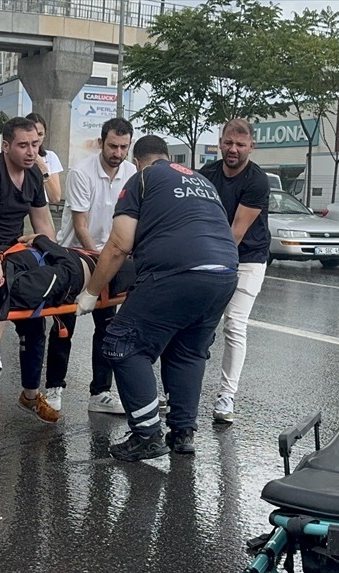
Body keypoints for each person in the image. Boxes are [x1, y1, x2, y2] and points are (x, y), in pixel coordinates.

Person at [79, 135, 239, 460]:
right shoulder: (202, 181)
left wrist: (90, 293)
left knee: (121, 343)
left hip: (177, 271)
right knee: (188, 352)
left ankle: (147, 433)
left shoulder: (142, 179)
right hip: (224, 273)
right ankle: (182, 434)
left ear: (136, 161)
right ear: (168, 157)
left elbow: (119, 245)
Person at [45, 117, 135, 415]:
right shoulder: (81, 173)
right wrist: (101, 263)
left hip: (111, 258)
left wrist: (114, 264)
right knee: (63, 325)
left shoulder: (132, 173)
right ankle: (54, 387)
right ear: (101, 142)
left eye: (123, 147)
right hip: (74, 258)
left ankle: (100, 393)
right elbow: (81, 226)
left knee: (108, 328)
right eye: (112, 146)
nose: (118, 153)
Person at [0, 117, 59, 423]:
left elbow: (43, 225)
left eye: (35, 145)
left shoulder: (33, 176)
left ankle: (30, 395)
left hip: (14, 258)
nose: (31, 152)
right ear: (6, 146)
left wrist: (57, 260)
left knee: (35, 324)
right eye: (24, 145)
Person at [199, 119, 271, 425]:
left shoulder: (257, 181)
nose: (233, 149)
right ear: (220, 142)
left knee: (235, 325)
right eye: (228, 142)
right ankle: (179, 390)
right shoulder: (206, 175)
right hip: (210, 254)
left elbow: (235, 233)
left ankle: (226, 396)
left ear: (251, 147)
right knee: (198, 324)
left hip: (247, 258)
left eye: (240, 144)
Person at [0, 233, 136, 312]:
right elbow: (69, 270)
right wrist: (40, 240)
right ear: (0, 281)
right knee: (145, 269)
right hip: (95, 273)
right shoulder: (24, 287)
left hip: (83, 258)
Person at [25, 112, 64, 204]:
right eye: (33, 133)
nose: (37, 138)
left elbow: (55, 197)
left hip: (42, 206)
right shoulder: (17, 155)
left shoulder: (50, 157)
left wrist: (42, 167)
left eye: (40, 134)